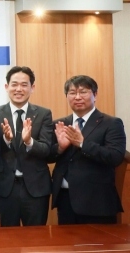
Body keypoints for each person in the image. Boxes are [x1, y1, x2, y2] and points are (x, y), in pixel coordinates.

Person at [49, 75, 126, 224]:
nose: (77, 97)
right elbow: (48, 156)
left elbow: (115, 156)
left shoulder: (111, 123)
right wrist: (60, 148)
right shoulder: (59, 124)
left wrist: (83, 144)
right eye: (72, 93)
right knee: (67, 246)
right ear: (67, 96)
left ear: (95, 95)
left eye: (83, 92)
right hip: (66, 200)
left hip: (97, 201)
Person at [0, 66, 53, 227]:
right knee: (8, 239)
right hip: (5, 188)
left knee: (36, 240)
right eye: (14, 84)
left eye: (24, 84)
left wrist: (30, 142)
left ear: (32, 88)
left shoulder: (44, 114)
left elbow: (47, 150)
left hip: (36, 189)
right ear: (6, 87)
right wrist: (6, 139)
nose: (18, 89)